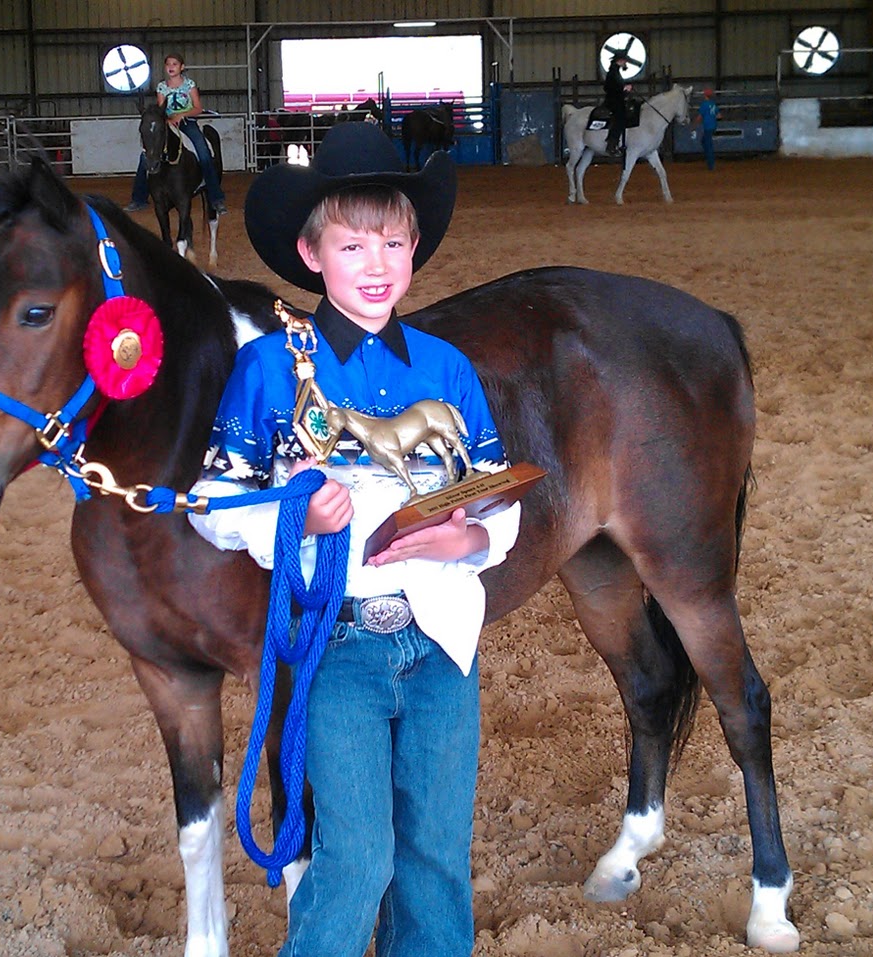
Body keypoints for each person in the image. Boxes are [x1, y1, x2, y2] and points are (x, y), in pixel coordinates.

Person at [190, 121, 521, 957]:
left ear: (415, 252)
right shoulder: (272, 368)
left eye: (395, 244)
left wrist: (468, 545)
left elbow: (493, 493)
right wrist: (295, 514)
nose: (377, 266)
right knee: (358, 859)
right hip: (336, 650)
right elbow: (211, 501)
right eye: (353, 245)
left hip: (443, 646)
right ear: (312, 255)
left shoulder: (445, 367)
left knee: (438, 859)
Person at [126, 53, 226, 214]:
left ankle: (216, 197)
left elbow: (198, 108)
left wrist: (181, 115)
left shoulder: (189, 85)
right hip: (168, 124)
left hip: (188, 123)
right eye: (168, 64)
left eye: (175, 64)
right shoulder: (162, 87)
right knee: (145, 156)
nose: (171, 67)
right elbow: (161, 110)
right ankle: (139, 198)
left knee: (203, 153)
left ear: (182, 67)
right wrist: (167, 119)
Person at [603, 52, 633, 156]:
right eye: (625, 61)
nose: (626, 63)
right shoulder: (613, 72)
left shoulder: (615, 71)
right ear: (620, 60)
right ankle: (612, 143)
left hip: (616, 99)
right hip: (613, 101)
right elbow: (609, 87)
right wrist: (623, 89)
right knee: (620, 117)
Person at [698, 88, 720, 171]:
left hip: (707, 126)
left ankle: (711, 163)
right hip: (713, 125)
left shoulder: (704, 105)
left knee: (707, 144)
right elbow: (719, 115)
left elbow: (700, 116)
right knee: (705, 142)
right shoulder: (713, 104)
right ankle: (710, 161)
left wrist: (694, 124)